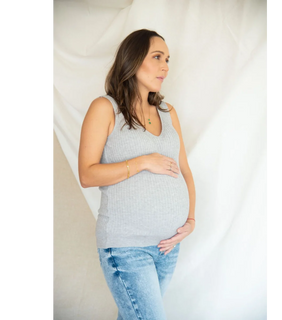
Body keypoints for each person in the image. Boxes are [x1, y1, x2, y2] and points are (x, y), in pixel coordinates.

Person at [78, 29, 196, 320]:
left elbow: (185, 171)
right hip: (127, 246)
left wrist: (190, 219)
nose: (165, 66)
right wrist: (142, 161)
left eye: (167, 59)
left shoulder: (168, 112)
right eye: (157, 57)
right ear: (132, 59)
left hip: (168, 247)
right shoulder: (105, 108)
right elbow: (87, 175)